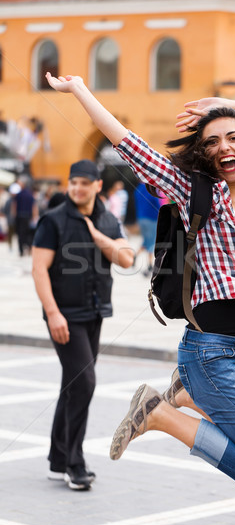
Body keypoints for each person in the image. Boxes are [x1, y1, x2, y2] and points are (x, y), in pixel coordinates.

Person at [45, 72, 235, 491]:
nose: (223, 147)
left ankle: (185, 396)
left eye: (232, 137)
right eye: (211, 142)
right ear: (204, 154)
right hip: (210, 351)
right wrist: (80, 90)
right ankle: (158, 412)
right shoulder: (195, 191)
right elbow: (128, 143)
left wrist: (220, 104)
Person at [32, 159, 134, 491]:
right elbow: (39, 269)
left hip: (94, 313)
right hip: (64, 316)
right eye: (72, 182)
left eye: (83, 183)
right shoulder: (53, 220)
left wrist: (96, 235)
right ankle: (74, 463)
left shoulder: (107, 219)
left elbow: (126, 258)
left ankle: (57, 460)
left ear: (97, 185)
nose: (76, 188)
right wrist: (53, 313)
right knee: (85, 382)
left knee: (72, 385)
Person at [133, 180, 162, 276]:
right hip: (152, 218)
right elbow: (156, 202)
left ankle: (134, 256)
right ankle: (149, 266)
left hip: (141, 218)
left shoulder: (138, 189)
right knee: (152, 241)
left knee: (146, 241)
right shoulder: (150, 188)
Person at [14, 175, 38, 256]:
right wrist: (35, 216)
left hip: (20, 216)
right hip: (28, 216)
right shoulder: (30, 194)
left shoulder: (19, 194)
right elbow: (34, 206)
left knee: (21, 233)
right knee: (28, 233)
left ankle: (21, 250)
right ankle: (28, 247)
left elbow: (15, 205)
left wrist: (14, 215)